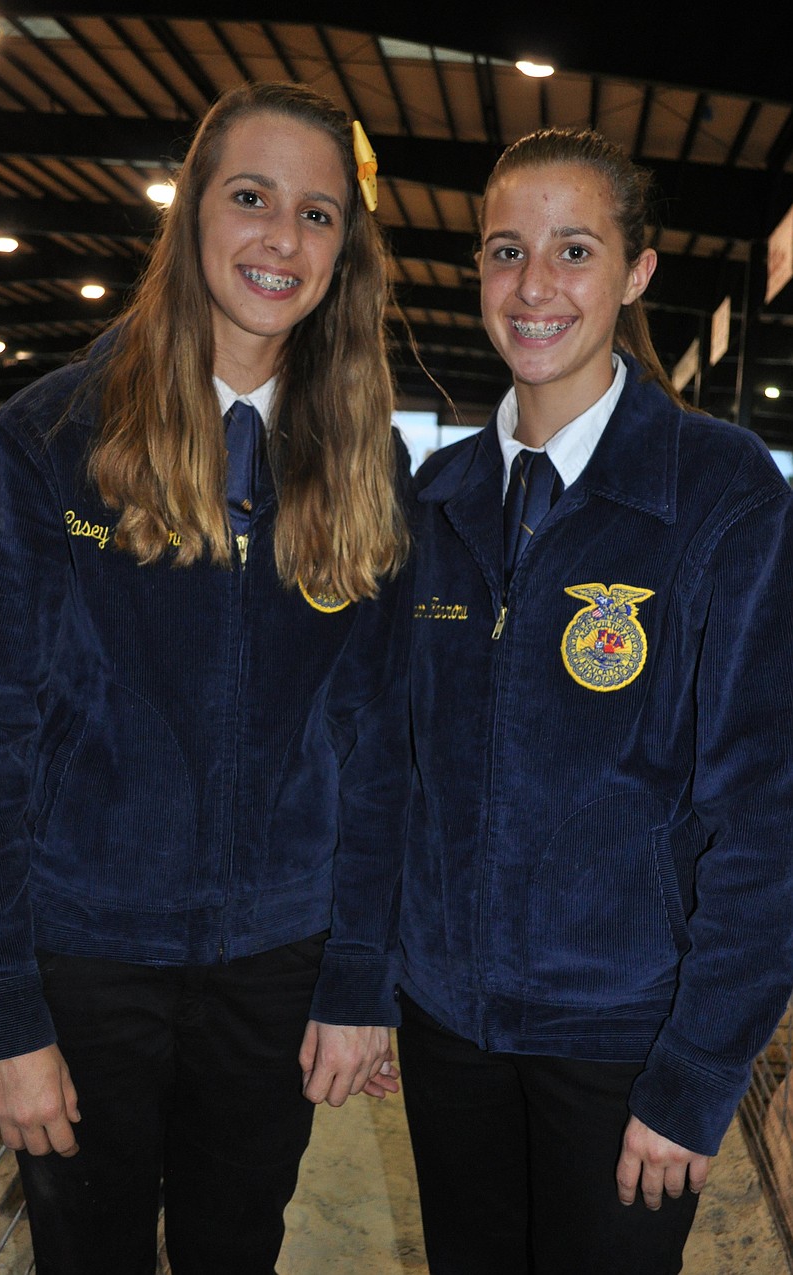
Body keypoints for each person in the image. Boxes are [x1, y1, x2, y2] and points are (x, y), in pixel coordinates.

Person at [0, 81, 412, 1275]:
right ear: (192, 212)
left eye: (317, 216)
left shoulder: (365, 462)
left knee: (235, 1249)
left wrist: (357, 975)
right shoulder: (52, 441)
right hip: (86, 958)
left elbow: (379, 745)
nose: (281, 239)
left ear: (343, 251)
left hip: (277, 962)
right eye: (251, 198)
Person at [397, 126, 793, 1275]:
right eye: (504, 251)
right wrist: (377, 979)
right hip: (448, 1028)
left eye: (574, 250)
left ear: (636, 274)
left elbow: (765, 814)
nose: (533, 287)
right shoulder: (442, 497)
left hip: (622, 1037)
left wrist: (698, 1071)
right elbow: (396, 766)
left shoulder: (722, 496)